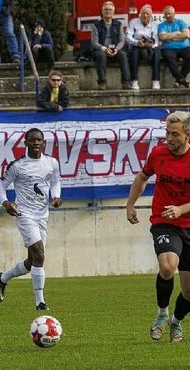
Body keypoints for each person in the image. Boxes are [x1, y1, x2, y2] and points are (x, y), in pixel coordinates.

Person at [126, 111, 190, 343]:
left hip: (188, 223)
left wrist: (182, 209)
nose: (169, 139)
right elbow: (141, 178)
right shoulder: (158, 154)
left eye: (174, 134)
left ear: (187, 135)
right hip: (164, 222)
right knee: (167, 267)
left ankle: (176, 322)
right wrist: (131, 204)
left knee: (189, 292)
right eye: (167, 133)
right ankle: (162, 313)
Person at [0, 127, 62, 311]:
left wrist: (56, 196)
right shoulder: (17, 165)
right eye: (32, 140)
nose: (36, 143)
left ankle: (2, 278)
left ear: (43, 143)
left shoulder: (52, 162)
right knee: (40, 254)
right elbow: (0, 188)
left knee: (33, 261)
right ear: (26, 143)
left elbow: (55, 181)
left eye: (39, 140)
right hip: (24, 214)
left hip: (43, 215)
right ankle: (40, 302)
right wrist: (6, 203)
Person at [91, 1, 131, 90]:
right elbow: (94, 43)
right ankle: (102, 83)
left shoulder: (119, 24)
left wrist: (117, 49)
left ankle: (126, 82)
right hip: (101, 50)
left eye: (110, 10)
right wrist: (104, 49)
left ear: (113, 12)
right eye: (106, 10)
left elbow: (122, 41)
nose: (108, 11)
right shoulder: (95, 25)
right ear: (102, 12)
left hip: (115, 49)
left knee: (123, 55)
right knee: (101, 55)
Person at [126, 4, 160, 90]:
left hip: (149, 47)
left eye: (147, 14)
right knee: (134, 53)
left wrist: (152, 45)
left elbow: (156, 39)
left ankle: (156, 80)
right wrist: (137, 42)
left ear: (150, 15)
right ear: (140, 14)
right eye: (143, 13)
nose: (145, 15)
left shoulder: (155, 24)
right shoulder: (133, 22)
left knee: (157, 53)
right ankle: (134, 80)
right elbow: (128, 36)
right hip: (136, 45)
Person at [158, 5, 190, 88]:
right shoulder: (161, 25)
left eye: (169, 14)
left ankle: (179, 80)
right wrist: (177, 33)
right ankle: (182, 79)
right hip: (169, 48)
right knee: (168, 57)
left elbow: (186, 35)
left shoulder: (181, 22)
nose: (168, 16)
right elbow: (162, 37)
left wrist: (171, 38)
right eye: (166, 14)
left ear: (174, 14)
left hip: (184, 47)